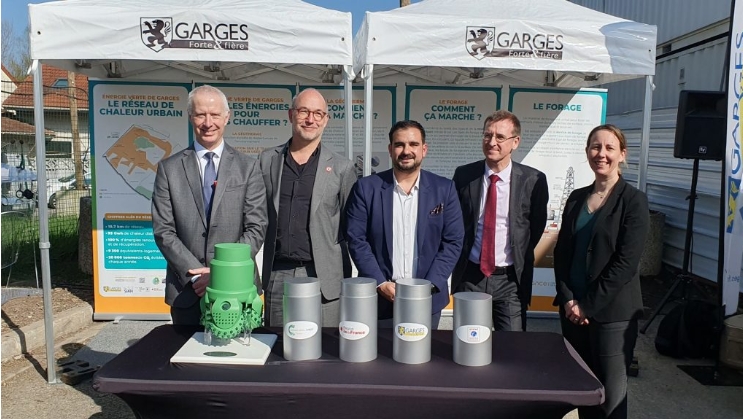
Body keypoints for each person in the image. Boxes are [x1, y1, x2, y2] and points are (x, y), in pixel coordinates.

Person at [553, 124, 649, 419]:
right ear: (587, 152)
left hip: (612, 317)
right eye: (595, 147)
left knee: (610, 399)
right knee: (583, 391)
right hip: (572, 314)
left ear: (622, 154)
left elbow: (625, 264)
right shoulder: (576, 198)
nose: (601, 154)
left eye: (609, 148)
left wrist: (587, 306)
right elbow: (562, 254)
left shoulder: (633, 201)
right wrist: (569, 299)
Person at [152, 85, 267, 325]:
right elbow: (164, 231)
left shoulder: (248, 167)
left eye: (214, 115)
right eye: (200, 115)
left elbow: (256, 228)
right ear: (190, 117)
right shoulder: (169, 169)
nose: (208, 123)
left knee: (240, 349)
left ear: (227, 117)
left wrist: (219, 273)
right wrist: (197, 275)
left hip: (238, 288)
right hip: (187, 290)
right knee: (185, 350)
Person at [345, 120, 464, 326]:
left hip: (428, 299)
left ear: (424, 149)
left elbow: (453, 241)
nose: (406, 151)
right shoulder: (366, 188)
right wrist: (380, 283)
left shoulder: (444, 189)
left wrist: (430, 285)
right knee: (379, 348)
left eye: (413, 144)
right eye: (399, 145)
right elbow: (356, 239)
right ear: (390, 149)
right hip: (379, 300)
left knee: (425, 349)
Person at [258, 88, 356, 327]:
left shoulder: (342, 168)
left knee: (326, 345)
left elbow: (351, 227)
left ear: (326, 120)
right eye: (304, 111)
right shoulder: (267, 160)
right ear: (291, 115)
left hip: (324, 277)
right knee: (279, 345)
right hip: (278, 274)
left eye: (318, 113)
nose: (310, 119)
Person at [451, 110, 548, 332]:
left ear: (515, 142)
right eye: (487, 135)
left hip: (510, 280)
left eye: (500, 137)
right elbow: (456, 222)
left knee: (513, 345)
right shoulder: (464, 175)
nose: (492, 142)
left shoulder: (533, 180)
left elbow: (534, 227)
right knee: (470, 342)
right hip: (471, 276)